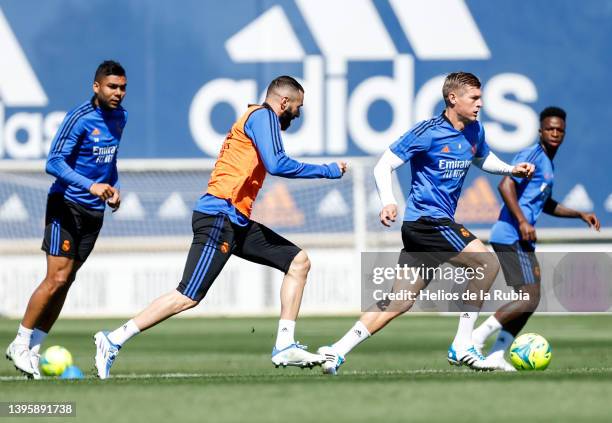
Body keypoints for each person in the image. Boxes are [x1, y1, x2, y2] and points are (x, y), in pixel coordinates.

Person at [94, 75, 346, 379]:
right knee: (187, 295)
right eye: (297, 106)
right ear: (283, 102)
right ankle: (113, 340)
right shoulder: (263, 115)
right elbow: (277, 164)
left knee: (298, 262)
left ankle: (284, 344)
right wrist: (327, 170)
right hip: (219, 217)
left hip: (235, 220)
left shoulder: (261, 120)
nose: (298, 113)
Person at [317, 72, 535, 374]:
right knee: (487, 264)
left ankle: (336, 350)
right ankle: (462, 344)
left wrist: (512, 169)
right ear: (452, 99)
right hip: (426, 222)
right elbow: (384, 164)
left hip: (432, 226)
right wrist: (389, 201)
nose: (481, 104)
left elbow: (482, 159)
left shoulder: (475, 131)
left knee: (400, 301)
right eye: (474, 98)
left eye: (481, 97)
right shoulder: (427, 132)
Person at [5, 60, 128, 379]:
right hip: (66, 205)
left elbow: (109, 161)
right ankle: (19, 342)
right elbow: (53, 163)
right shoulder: (80, 118)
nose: (118, 93)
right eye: (112, 87)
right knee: (56, 278)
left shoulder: (120, 118)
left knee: (67, 280)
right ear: (96, 87)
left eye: (122, 87)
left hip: (94, 211)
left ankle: (34, 348)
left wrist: (113, 188)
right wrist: (91, 185)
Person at [472, 106, 600, 371]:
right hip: (510, 235)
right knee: (528, 297)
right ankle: (476, 338)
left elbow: (545, 203)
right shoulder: (533, 154)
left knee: (531, 300)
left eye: (559, 130)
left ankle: (496, 354)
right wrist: (521, 221)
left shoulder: (548, 162)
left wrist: (579, 214)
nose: (555, 133)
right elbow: (505, 184)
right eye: (550, 128)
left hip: (522, 238)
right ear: (540, 130)